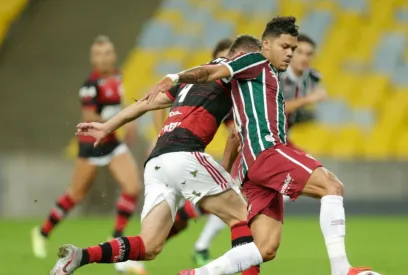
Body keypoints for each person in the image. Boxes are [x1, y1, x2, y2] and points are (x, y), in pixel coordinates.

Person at [144, 16, 379, 275]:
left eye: (294, 48)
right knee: (332, 186)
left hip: (251, 168)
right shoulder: (256, 61)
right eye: (285, 47)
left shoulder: (270, 77)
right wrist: (174, 77)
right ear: (265, 45)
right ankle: (341, 269)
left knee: (265, 247)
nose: (290, 53)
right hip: (266, 152)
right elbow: (212, 72)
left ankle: (198, 273)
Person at [49, 35, 263, 275]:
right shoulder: (234, 75)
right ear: (244, 57)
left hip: (157, 162)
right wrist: (224, 169)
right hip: (186, 155)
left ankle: (81, 256)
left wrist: (107, 126)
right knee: (246, 218)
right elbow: (236, 134)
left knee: (149, 245)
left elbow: (146, 103)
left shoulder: (190, 80)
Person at [31, 34, 146, 275]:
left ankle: (115, 238)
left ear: (113, 55)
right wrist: (119, 121)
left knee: (133, 187)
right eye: (100, 54)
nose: (105, 57)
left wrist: (129, 120)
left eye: (108, 53)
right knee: (76, 194)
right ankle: (42, 232)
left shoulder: (117, 75)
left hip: (112, 142)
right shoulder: (90, 85)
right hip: (91, 145)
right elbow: (89, 118)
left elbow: (118, 102)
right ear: (93, 59)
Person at [159, 38, 233, 266]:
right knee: (177, 215)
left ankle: (200, 247)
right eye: (221, 58)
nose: (225, 63)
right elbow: (155, 101)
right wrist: (161, 135)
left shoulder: (229, 88)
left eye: (230, 59)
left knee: (230, 205)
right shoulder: (201, 87)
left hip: (195, 157)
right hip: (185, 156)